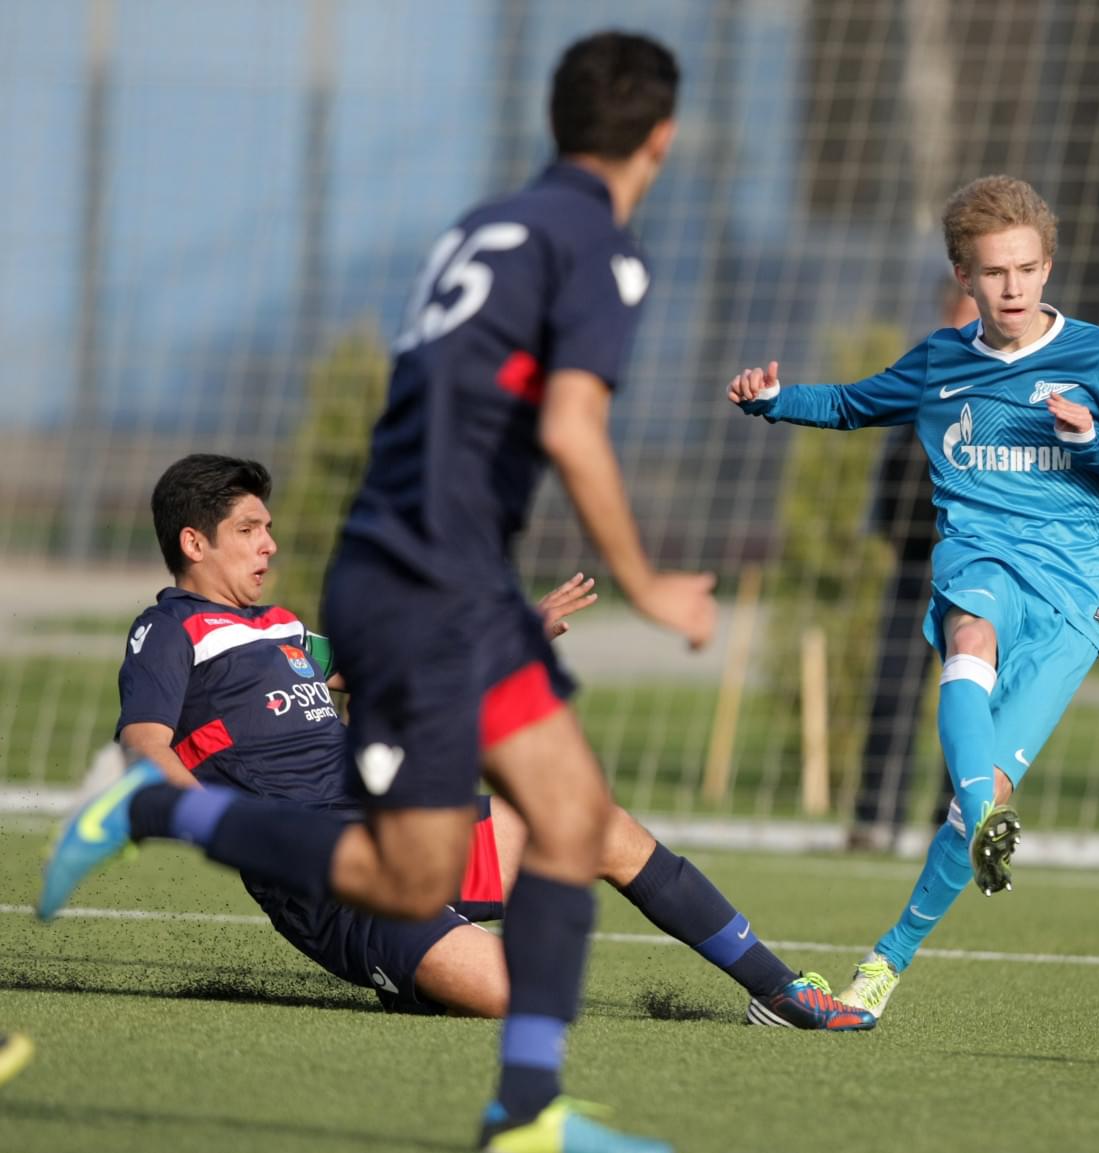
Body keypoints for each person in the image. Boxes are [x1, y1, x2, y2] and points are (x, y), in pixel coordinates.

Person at [44, 32, 748, 1152]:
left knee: (560, 820)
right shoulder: (599, 248)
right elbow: (572, 427)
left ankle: (531, 1108)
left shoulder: (480, 227)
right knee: (530, 855)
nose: (265, 545)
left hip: (405, 574)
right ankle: (160, 810)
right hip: (435, 574)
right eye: (245, 529)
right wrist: (650, 581)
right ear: (658, 140)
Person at [98, 453, 872, 1028]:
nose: (269, 543)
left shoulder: (282, 628)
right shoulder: (167, 630)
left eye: (268, 527)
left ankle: (779, 990)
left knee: (597, 823)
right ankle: (417, 962)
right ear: (194, 542)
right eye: (249, 529)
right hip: (333, 878)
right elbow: (144, 744)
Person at [728, 174, 1099, 1017]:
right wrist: (774, 401)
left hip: (1076, 590)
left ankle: (885, 963)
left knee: (988, 787)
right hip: (979, 555)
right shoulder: (941, 362)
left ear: (1048, 268)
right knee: (969, 632)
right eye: (994, 272)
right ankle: (982, 817)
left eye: (1026, 269)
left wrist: (1094, 443)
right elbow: (852, 403)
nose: (1012, 288)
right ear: (963, 276)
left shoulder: (1097, 356)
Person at [848, 281, 979, 852]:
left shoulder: (1014, 385)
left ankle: (958, 821)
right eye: (958, 311)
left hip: (976, 569)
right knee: (892, 691)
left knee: (971, 696)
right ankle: (875, 817)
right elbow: (896, 469)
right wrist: (890, 529)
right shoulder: (926, 377)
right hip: (914, 566)